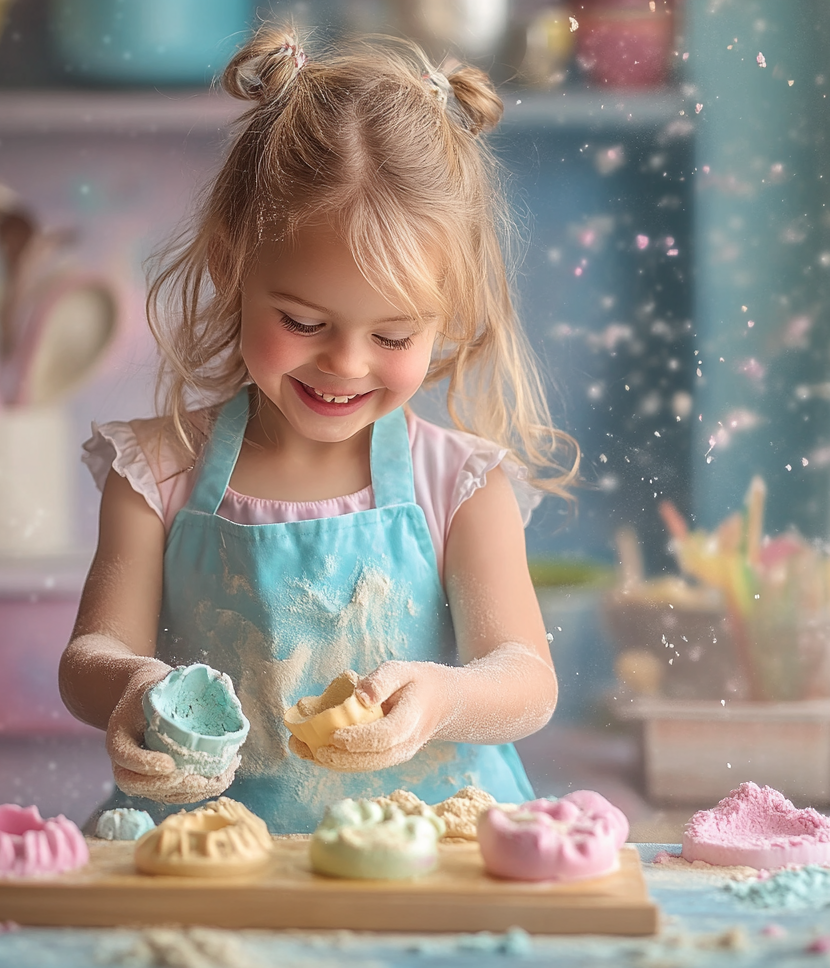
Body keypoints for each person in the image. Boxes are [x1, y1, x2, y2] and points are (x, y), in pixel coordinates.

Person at [59, 26, 578, 834]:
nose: (346, 362)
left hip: (428, 853)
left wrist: (444, 698)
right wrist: (132, 688)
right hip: (216, 848)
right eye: (303, 320)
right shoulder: (158, 469)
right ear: (233, 265)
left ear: (449, 316)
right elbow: (90, 657)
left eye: (395, 336)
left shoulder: (462, 486)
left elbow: (526, 679)